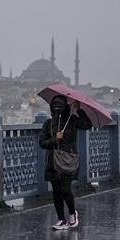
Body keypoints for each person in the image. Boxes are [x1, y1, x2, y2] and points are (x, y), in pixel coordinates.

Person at [38, 95, 93, 229]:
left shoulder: (72, 120)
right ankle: (61, 219)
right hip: (52, 162)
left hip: (68, 160)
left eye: (60, 106)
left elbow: (86, 125)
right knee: (56, 191)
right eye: (55, 106)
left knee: (65, 189)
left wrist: (79, 110)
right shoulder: (48, 123)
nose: (57, 109)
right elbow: (42, 142)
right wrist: (54, 140)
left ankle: (72, 213)